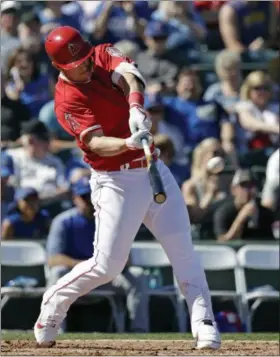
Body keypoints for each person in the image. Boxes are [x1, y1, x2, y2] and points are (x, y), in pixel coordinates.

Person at [34, 25, 221, 350]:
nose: (87, 64)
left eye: (86, 56)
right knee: (107, 266)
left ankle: (205, 324)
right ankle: (52, 305)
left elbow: (130, 76)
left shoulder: (101, 53)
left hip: (152, 169)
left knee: (184, 253)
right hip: (114, 181)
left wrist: (135, 105)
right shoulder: (66, 100)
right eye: (78, 63)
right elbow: (96, 142)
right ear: (61, 67)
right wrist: (127, 142)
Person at [47, 176, 149, 332]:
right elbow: (54, 259)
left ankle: (139, 331)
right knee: (57, 272)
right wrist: (85, 265)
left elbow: (127, 258)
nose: (90, 200)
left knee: (137, 275)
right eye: (85, 197)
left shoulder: (112, 220)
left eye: (94, 195)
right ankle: (54, 329)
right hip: (75, 276)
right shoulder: (63, 221)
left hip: (106, 275)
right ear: (75, 198)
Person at [7, 120, 68, 201]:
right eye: (43, 139)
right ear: (29, 141)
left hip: (51, 205)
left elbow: (64, 189)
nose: (47, 143)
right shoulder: (12, 157)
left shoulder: (55, 161)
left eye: (48, 139)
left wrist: (40, 199)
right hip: (21, 206)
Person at [214, 169, 274, 242]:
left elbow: (270, 242)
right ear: (233, 189)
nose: (249, 190)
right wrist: (240, 219)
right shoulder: (224, 212)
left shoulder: (264, 212)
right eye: (244, 186)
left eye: (252, 186)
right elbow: (222, 242)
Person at [234, 71, 279, 155]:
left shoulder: (275, 107)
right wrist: (276, 128)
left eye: (265, 88)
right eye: (257, 88)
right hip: (249, 153)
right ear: (249, 89)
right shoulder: (243, 106)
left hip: (273, 151)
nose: (262, 92)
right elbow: (250, 124)